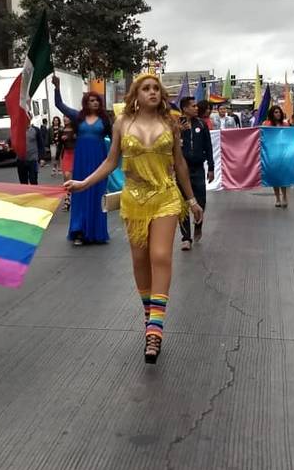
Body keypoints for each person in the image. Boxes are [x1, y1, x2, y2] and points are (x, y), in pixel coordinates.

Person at [65, 73, 203, 363]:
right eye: (146, 88)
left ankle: (155, 329)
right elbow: (110, 161)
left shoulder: (170, 123)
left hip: (165, 197)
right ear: (136, 95)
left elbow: (178, 162)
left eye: (156, 88)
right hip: (134, 200)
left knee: (161, 255)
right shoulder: (122, 123)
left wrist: (191, 200)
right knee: (140, 261)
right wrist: (83, 184)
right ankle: (149, 313)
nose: (152, 92)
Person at [53, 76, 112, 245]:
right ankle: (78, 231)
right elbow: (59, 105)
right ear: (86, 102)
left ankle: (97, 232)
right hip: (81, 163)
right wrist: (57, 87)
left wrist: (114, 161)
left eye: (96, 100)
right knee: (80, 193)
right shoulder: (78, 117)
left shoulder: (105, 120)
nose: (94, 103)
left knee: (98, 194)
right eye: (91, 100)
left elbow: (115, 140)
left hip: (99, 162)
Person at [176, 97, 214, 250]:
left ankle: (198, 224)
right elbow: (169, 145)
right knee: (183, 205)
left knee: (201, 201)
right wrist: (178, 132)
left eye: (196, 106)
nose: (196, 108)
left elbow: (209, 147)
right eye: (193, 106)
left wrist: (211, 167)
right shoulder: (176, 124)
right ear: (184, 108)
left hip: (198, 169)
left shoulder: (202, 125)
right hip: (181, 169)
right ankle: (186, 238)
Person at [262, 105, 290, 207]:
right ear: (271, 114)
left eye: (279, 112)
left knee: (283, 176)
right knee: (275, 177)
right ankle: (277, 198)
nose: (277, 114)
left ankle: (285, 196)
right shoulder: (266, 124)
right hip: (272, 154)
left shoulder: (285, 124)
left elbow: (290, 137)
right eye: (275, 112)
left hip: (283, 153)